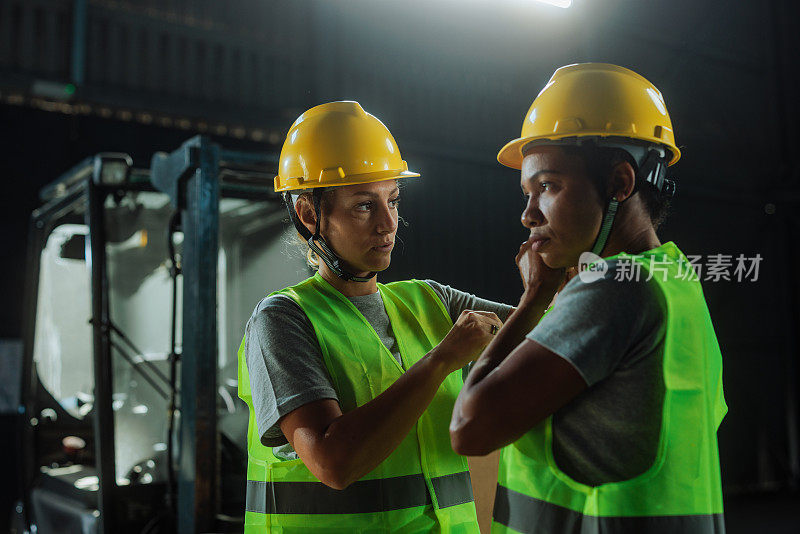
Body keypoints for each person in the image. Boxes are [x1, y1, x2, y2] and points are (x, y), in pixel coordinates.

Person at [449, 63, 726, 533]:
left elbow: (469, 427)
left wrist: (534, 297)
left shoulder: (612, 287)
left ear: (620, 183)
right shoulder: (674, 279)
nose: (528, 214)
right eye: (526, 192)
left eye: (547, 186)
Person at [237, 101, 511, 533]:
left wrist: (550, 283)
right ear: (310, 215)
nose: (388, 224)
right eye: (365, 205)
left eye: (394, 200)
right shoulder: (283, 319)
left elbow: (553, 332)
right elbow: (333, 463)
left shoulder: (431, 301)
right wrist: (443, 359)